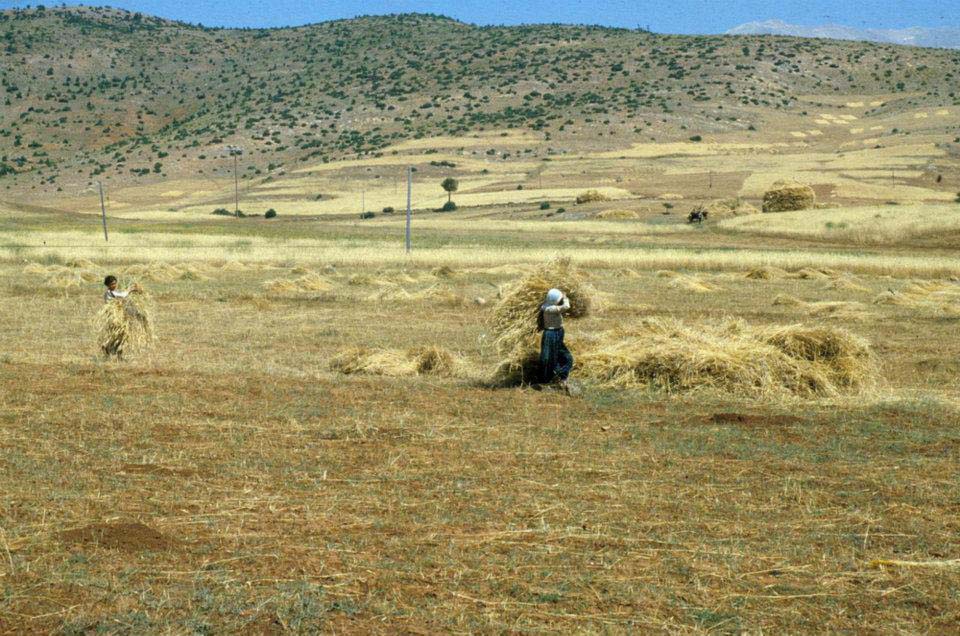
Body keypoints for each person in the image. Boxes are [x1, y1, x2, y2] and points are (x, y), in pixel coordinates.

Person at [538, 288, 574, 387]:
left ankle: (556, 375)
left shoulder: (546, 305)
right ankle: (559, 375)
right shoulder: (550, 309)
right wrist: (566, 298)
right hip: (552, 334)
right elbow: (566, 306)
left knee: (553, 355)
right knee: (559, 357)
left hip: (555, 332)